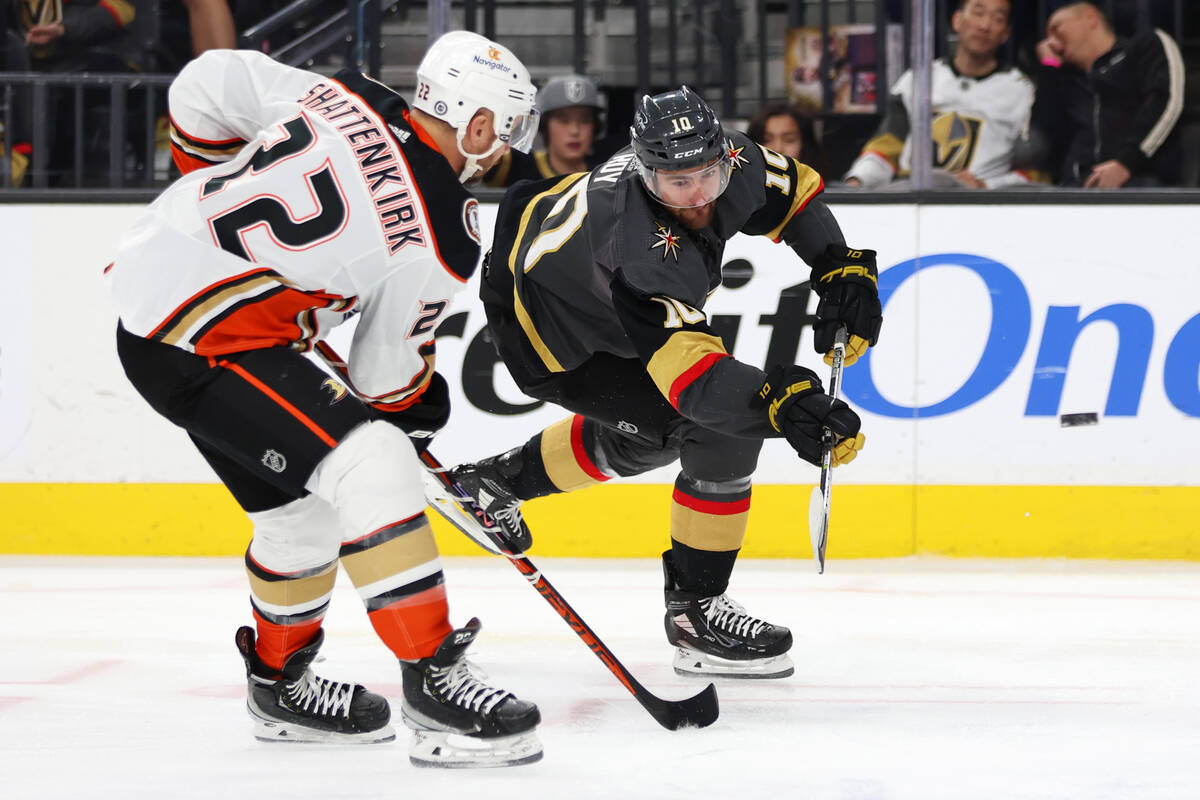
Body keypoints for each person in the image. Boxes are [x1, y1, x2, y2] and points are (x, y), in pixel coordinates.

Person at [105, 32, 545, 768]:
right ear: (474, 125)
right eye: (506, 129)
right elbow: (384, 380)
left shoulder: (343, 92)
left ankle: (280, 687)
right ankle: (434, 684)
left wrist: (216, 187)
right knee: (372, 461)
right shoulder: (444, 226)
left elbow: (206, 83)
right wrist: (419, 409)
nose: (503, 148)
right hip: (203, 341)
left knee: (299, 518)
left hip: (154, 296)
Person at [450, 86, 880, 679]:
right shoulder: (637, 247)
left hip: (564, 254)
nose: (698, 198)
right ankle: (694, 614)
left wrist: (839, 263)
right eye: (676, 183)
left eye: (706, 174)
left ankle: (494, 483)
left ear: (722, 152)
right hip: (548, 324)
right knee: (711, 429)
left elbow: (795, 196)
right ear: (644, 171)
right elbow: (698, 387)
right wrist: (785, 408)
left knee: (655, 430)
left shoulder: (734, 160)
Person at [843, 0, 1036, 189]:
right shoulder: (919, 77)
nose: (984, 25)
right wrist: (857, 180)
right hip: (910, 193)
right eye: (978, 13)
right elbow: (886, 147)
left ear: (1006, 34)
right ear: (957, 20)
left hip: (979, 204)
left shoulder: (1022, 90)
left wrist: (986, 185)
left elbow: (1035, 171)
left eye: (998, 19)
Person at [1031, 1, 1185, 187]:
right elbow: (1042, 136)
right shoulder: (1067, 81)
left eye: (1056, 29)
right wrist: (1049, 67)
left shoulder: (1145, 46)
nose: (1051, 42)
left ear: (1090, 18)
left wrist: (1126, 163)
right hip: (1074, 188)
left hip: (1138, 182)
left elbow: (1166, 101)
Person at [484, 72, 605, 186]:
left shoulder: (606, 175)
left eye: (585, 120)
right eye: (563, 120)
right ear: (544, 125)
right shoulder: (517, 166)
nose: (575, 131)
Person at [745, 101, 829, 178]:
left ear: (805, 145)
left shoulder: (828, 192)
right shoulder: (737, 192)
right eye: (767, 140)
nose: (778, 149)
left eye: (789, 140)